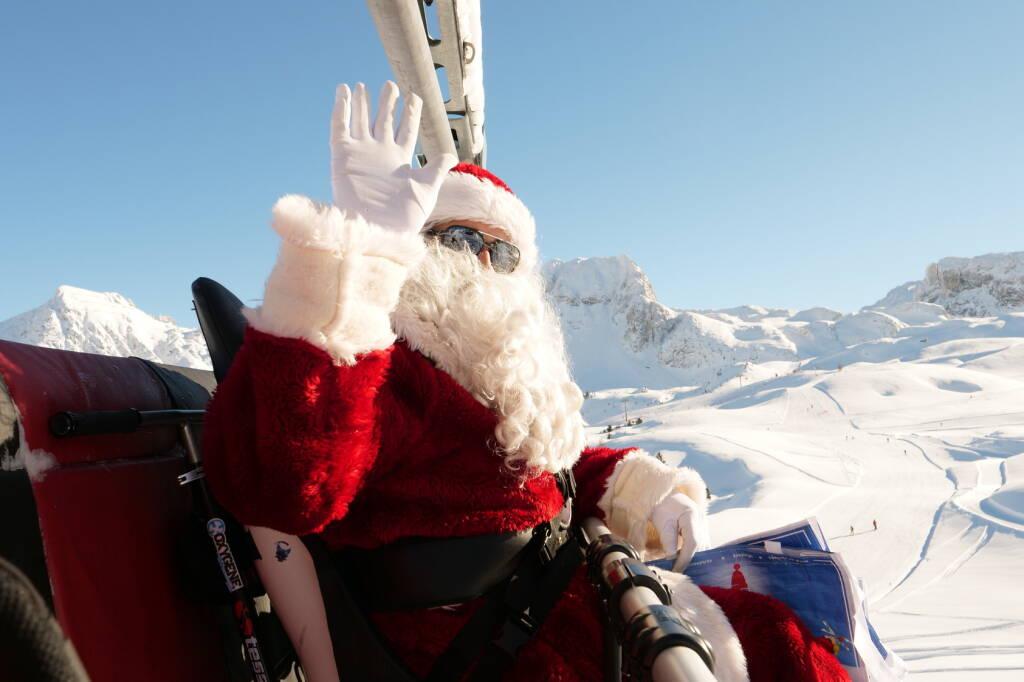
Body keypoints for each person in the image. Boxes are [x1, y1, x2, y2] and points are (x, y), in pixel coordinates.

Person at [202, 82, 848, 682]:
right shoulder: (371, 360)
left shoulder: (495, 366)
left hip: (546, 594)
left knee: (779, 629)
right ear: (411, 243)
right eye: (456, 236)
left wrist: (637, 486)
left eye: (501, 249)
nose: (482, 261)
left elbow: (541, 471)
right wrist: (354, 262)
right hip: (473, 641)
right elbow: (287, 491)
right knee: (774, 644)